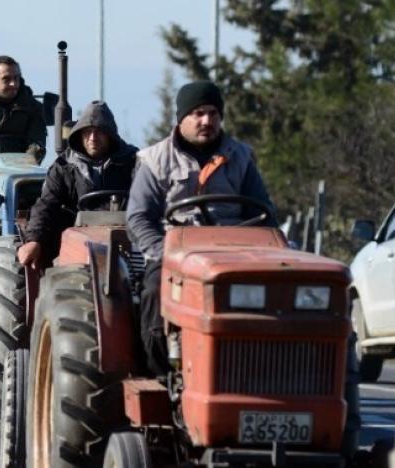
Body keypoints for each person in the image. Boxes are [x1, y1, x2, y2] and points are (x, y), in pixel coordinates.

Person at [126, 80, 359, 458]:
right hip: (178, 253)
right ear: (182, 118)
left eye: (213, 114)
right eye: (198, 114)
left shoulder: (240, 156)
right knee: (154, 289)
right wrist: (159, 254)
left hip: (234, 253)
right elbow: (139, 217)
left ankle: (277, 386)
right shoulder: (154, 160)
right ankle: (161, 370)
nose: (207, 121)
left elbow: (262, 210)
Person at [18, 101, 138, 267]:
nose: (93, 138)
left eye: (99, 132)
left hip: (126, 236)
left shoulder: (132, 161)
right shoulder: (64, 166)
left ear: (110, 134)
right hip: (76, 240)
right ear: (80, 135)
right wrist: (34, 240)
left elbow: (150, 197)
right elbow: (47, 204)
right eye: (88, 132)